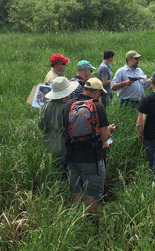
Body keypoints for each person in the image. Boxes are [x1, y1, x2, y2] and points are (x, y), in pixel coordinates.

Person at [63, 77, 116, 214]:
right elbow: (104, 137)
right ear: (96, 91)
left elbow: (66, 131)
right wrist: (109, 131)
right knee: (91, 195)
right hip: (92, 158)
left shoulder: (69, 105)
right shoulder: (98, 107)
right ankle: (92, 225)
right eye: (100, 93)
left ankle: (75, 222)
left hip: (72, 156)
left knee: (76, 192)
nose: (100, 96)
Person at [38, 77, 79, 170]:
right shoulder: (67, 108)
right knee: (64, 173)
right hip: (64, 148)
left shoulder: (45, 106)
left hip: (48, 145)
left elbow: (40, 124)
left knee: (53, 171)